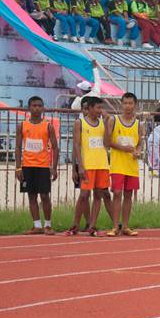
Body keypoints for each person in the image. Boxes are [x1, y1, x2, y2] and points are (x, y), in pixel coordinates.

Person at [15, 96, 59, 235]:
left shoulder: (48, 126)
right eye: (34, 106)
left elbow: (55, 147)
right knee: (31, 196)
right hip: (27, 166)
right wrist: (18, 167)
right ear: (29, 108)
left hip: (43, 166)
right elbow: (17, 147)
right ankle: (37, 225)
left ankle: (48, 225)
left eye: (39, 106)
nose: (37, 108)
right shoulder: (22, 126)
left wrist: (54, 167)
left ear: (43, 108)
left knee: (45, 195)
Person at [71, 97, 113, 236]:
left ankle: (92, 225)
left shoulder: (102, 123)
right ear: (89, 108)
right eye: (98, 108)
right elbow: (76, 145)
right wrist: (80, 166)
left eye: (101, 108)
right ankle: (75, 225)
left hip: (102, 164)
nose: (100, 110)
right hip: (88, 164)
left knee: (98, 195)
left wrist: (107, 124)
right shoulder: (80, 123)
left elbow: (106, 143)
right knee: (84, 195)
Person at [106, 92, 142, 237]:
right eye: (125, 103)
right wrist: (122, 148)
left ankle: (126, 226)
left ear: (135, 105)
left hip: (131, 164)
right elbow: (107, 142)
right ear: (121, 104)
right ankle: (115, 226)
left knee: (128, 195)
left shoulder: (138, 124)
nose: (128, 106)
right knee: (117, 193)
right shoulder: (113, 120)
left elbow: (140, 143)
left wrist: (138, 151)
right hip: (117, 164)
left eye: (130, 103)